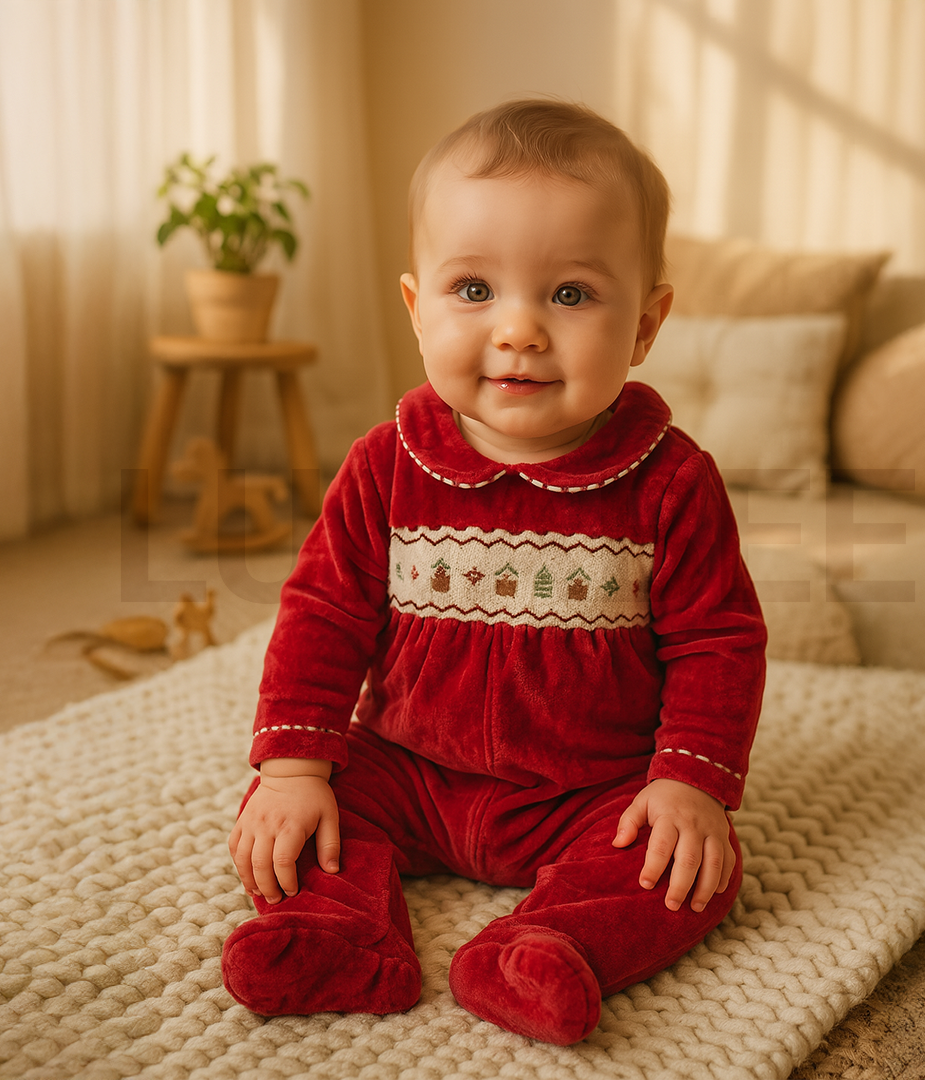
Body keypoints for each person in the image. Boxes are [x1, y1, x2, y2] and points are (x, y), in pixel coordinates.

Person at [220, 99, 766, 1046]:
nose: (519, 329)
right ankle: (338, 931)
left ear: (645, 325)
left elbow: (717, 640)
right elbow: (323, 613)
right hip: (409, 768)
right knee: (296, 813)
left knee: (690, 865)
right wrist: (293, 766)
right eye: (473, 289)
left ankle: (549, 945)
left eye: (571, 295)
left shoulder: (671, 481)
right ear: (415, 308)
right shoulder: (386, 464)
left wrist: (688, 781)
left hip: (591, 789)